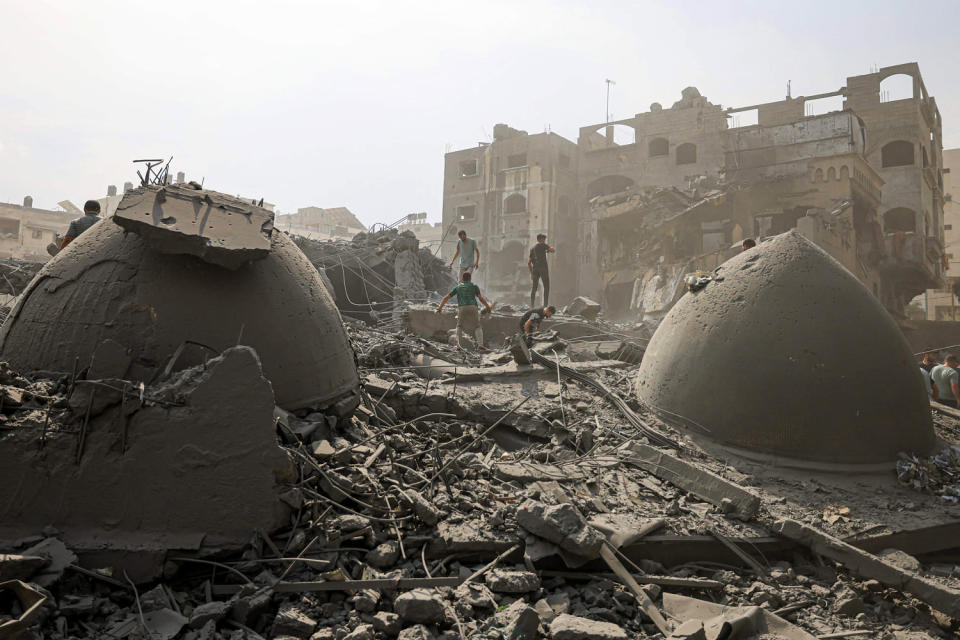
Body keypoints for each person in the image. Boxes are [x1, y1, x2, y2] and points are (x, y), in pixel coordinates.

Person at [436, 271, 492, 350]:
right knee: (477, 326)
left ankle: (458, 345)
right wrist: (488, 306)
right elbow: (480, 298)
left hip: (462, 307)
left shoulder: (458, 287)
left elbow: (446, 298)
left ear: (462, 279)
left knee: (459, 326)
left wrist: (440, 307)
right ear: (470, 278)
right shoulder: (474, 286)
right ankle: (480, 345)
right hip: (473, 307)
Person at [528, 233, 555, 307]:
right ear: (541, 239)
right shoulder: (542, 245)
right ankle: (545, 306)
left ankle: (532, 306)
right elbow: (552, 250)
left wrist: (531, 274)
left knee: (534, 288)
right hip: (543, 268)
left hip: (535, 269)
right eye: (544, 239)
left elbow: (529, 262)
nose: (544, 241)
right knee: (546, 287)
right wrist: (550, 249)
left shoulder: (532, 248)